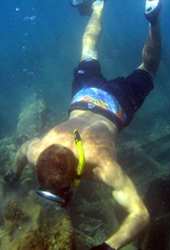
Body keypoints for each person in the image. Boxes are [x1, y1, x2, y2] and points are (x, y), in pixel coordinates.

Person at [5, 0, 161, 249]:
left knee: (149, 67)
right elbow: (24, 150)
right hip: (85, 96)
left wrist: (107, 246)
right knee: (88, 47)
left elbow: (141, 215)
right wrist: (14, 173)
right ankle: (105, 7)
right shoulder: (39, 150)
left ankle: (150, 20)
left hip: (116, 105)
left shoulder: (102, 167)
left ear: (76, 178)